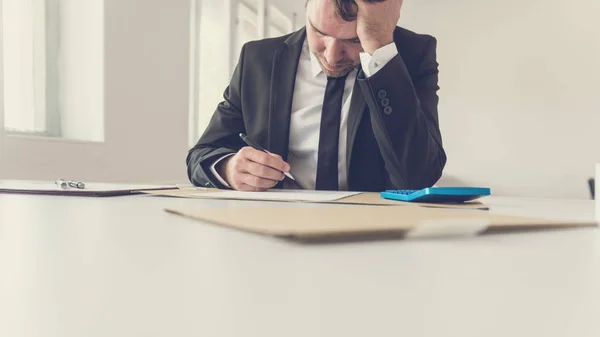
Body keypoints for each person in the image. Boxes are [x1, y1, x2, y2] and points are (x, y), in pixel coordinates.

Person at [187, 0, 446, 192]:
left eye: (354, 40)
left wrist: (378, 48)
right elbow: (201, 155)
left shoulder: (411, 56)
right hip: (275, 233)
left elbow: (418, 177)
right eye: (320, 33)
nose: (332, 56)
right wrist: (229, 169)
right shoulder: (258, 59)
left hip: (372, 236)